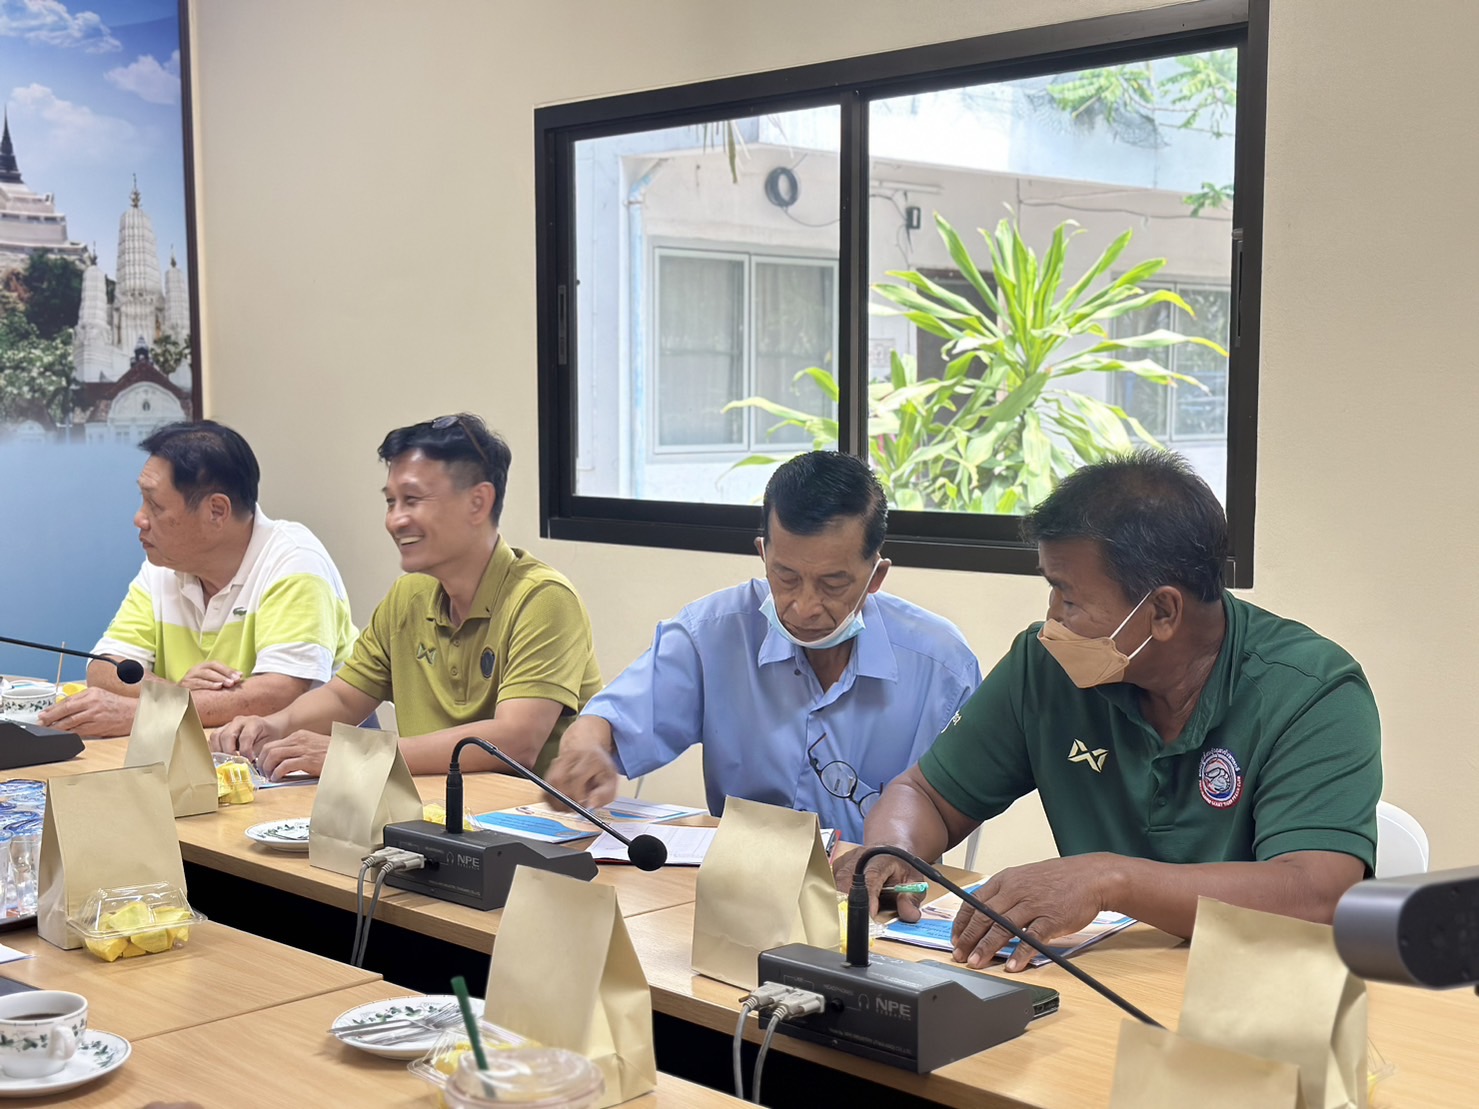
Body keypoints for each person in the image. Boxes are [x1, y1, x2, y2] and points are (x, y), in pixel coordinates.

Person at [836, 450, 1381, 970]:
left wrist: (1107, 881)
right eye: (1051, 590)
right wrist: (893, 850)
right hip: (1100, 985)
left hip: (1256, 991)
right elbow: (926, 795)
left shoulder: (1311, 691)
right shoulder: (1046, 668)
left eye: (1070, 597)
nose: (1053, 617)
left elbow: (1317, 894)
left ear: (1162, 611)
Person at [546, 451, 981, 842]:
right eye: (786, 576)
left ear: (876, 576)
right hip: (742, 884)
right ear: (762, 554)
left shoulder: (941, 667)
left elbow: (958, 806)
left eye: (833, 584)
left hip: (875, 888)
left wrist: (891, 852)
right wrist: (586, 750)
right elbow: (608, 720)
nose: (804, 606)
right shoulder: (714, 633)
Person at [213, 414, 601, 778]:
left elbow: (515, 741)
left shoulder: (543, 599)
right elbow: (345, 699)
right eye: (390, 502)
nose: (395, 520)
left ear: (478, 502)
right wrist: (272, 725)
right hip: (433, 813)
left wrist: (356, 755)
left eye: (412, 500)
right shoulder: (409, 595)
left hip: (530, 821)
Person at [39, 421, 356, 737]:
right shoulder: (164, 565)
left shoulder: (294, 560)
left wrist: (144, 712)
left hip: (307, 758)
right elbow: (105, 667)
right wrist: (179, 694)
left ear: (216, 511)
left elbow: (280, 695)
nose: (139, 518)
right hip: (203, 752)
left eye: (155, 505)